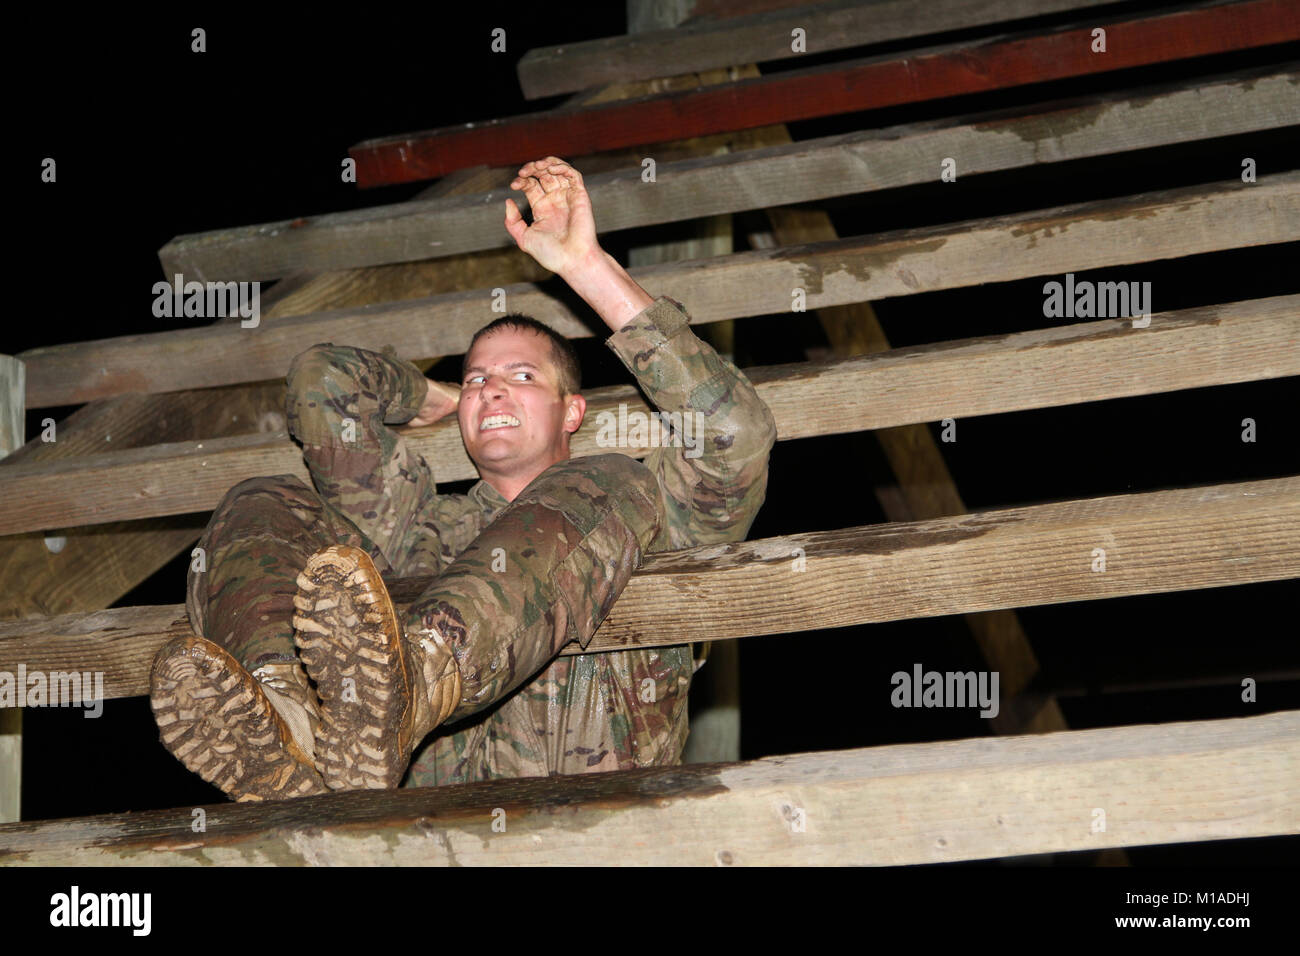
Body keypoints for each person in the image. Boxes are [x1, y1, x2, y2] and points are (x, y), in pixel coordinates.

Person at [149, 157, 776, 800]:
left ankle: (414, 683)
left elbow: (738, 435)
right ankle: (287, 729)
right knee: (260, 501)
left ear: (574, 412)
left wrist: (585, 266)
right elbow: (323, 382)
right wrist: (429, 393)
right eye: (479, 378)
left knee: (610, 480)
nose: (493, 387)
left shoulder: (646, 514)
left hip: (584, 825)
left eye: (523, 376)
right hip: (416, 827)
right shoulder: (418, 530)